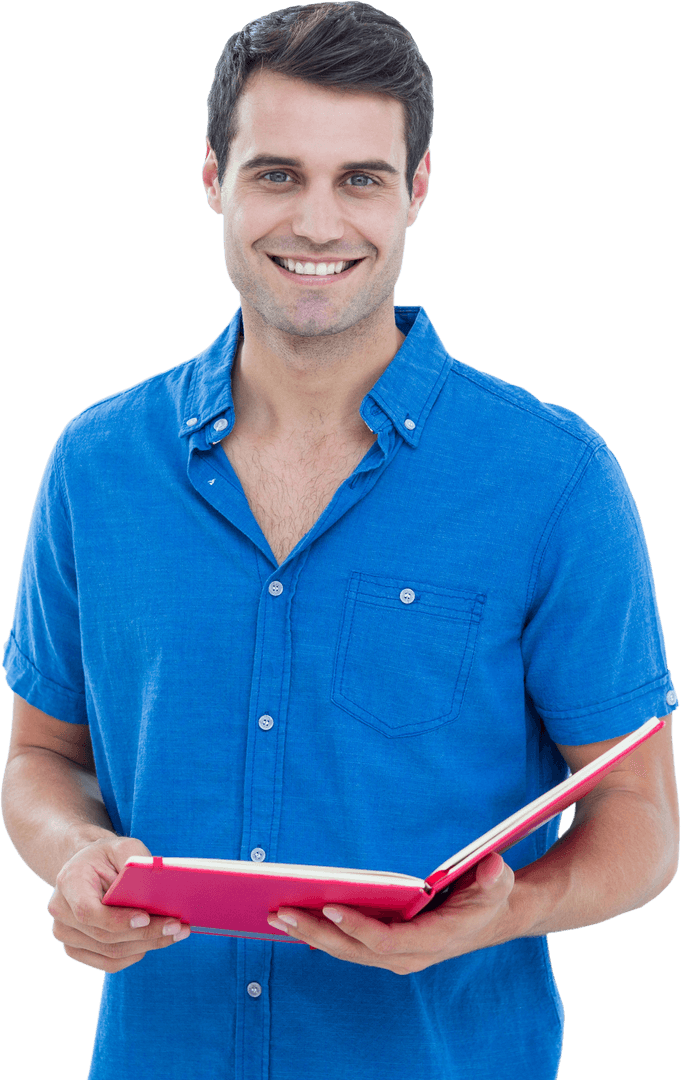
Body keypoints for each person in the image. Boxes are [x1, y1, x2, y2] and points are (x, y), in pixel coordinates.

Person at [1, 3, 678, 1078]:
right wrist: (77, 855)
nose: (317, 224)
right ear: (214, 179)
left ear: (416, 190)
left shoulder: (553, 479)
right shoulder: (97, 465)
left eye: (359, 179)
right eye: (278, 175)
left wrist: (507, 912)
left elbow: (639, 816)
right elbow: (41, 758)